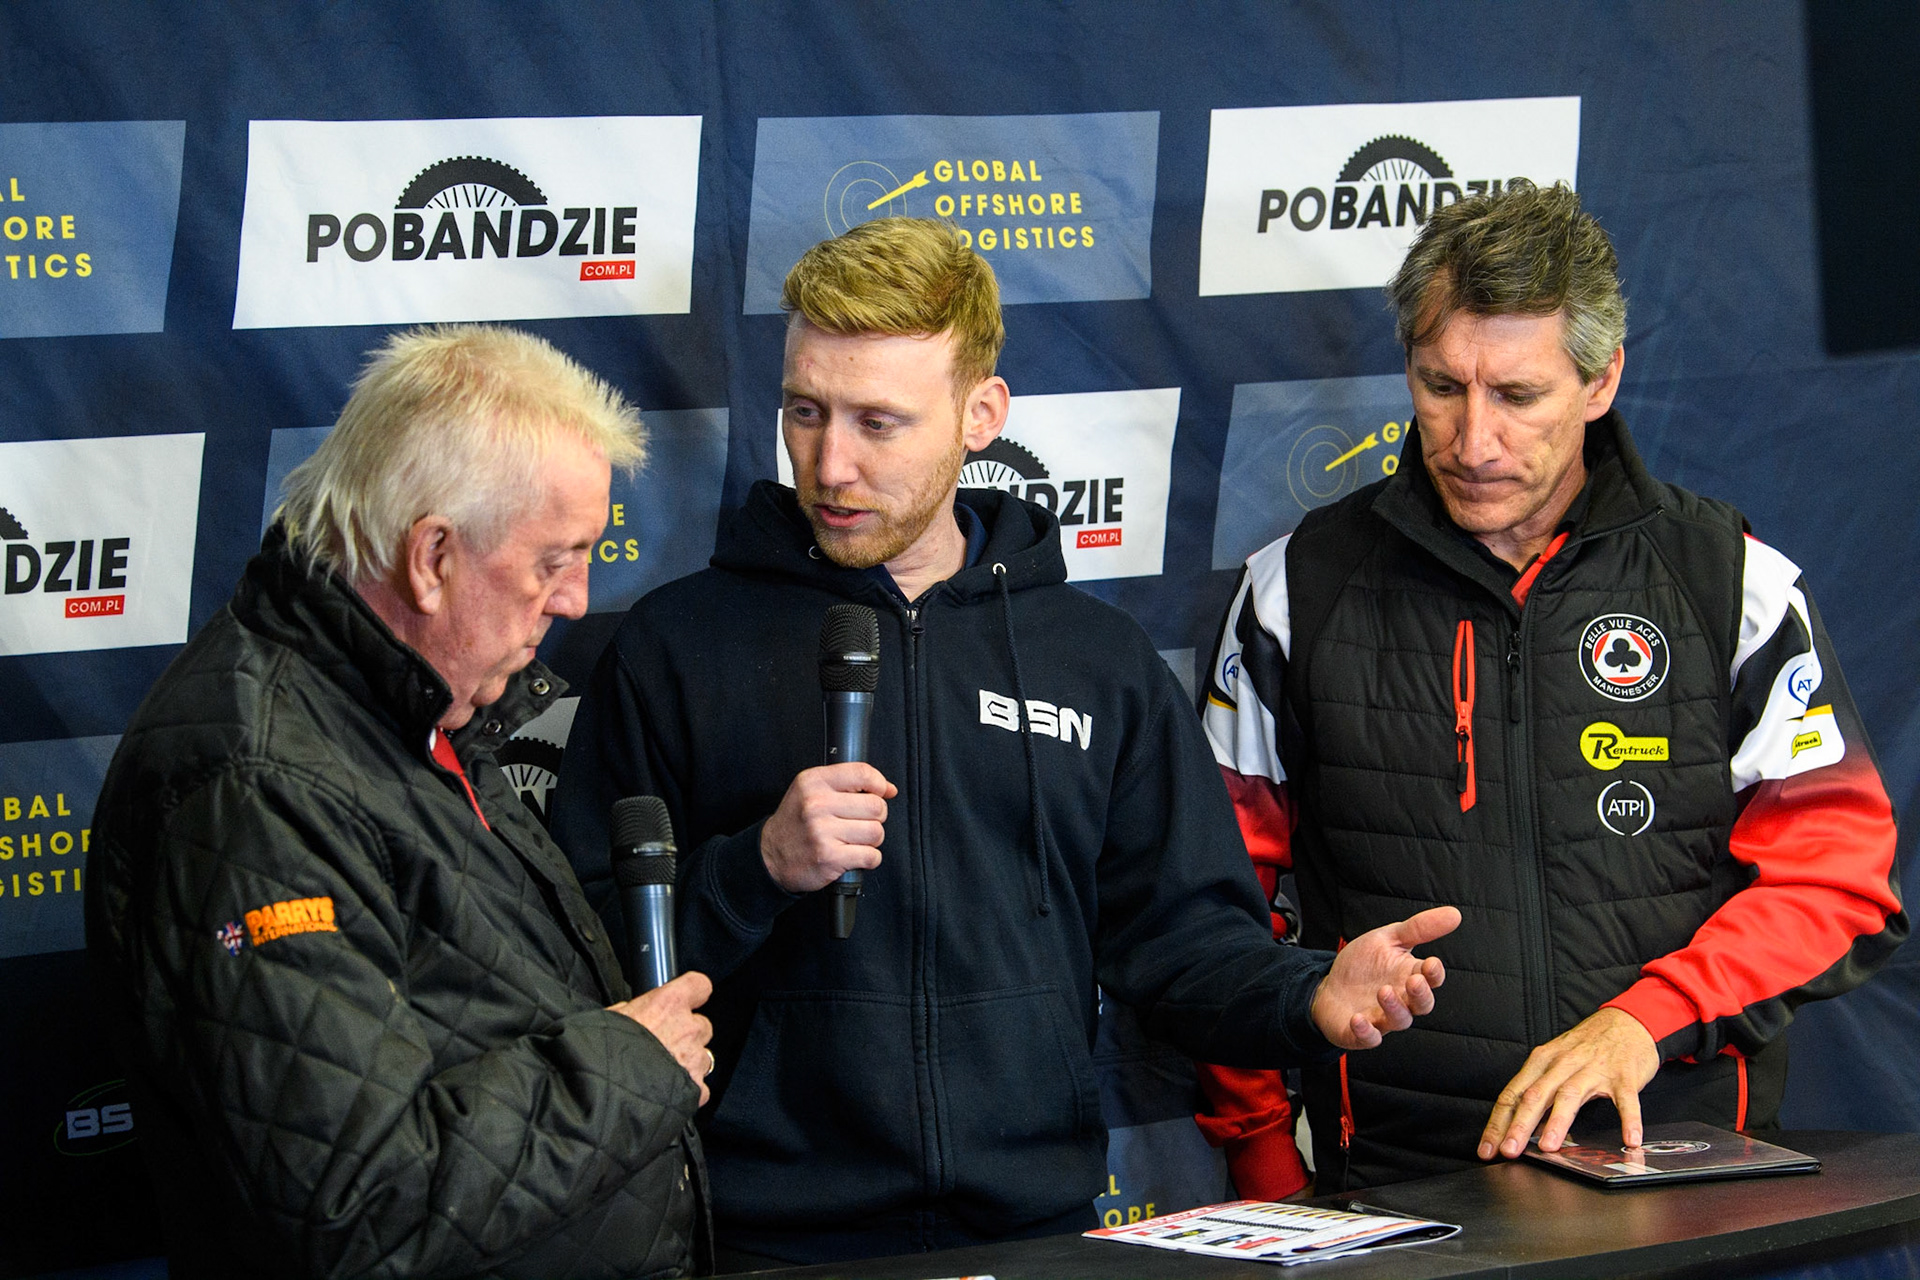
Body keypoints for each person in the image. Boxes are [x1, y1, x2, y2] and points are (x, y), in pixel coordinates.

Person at [550, 216, 1459, 1269]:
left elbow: (1183, 944)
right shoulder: (678, 646)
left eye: (879, 423)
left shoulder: (1094, 661)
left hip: (1034, 1230)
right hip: (761, 1237)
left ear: (981, 414)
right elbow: (582, 961)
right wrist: (757, 867)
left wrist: (1307, 992)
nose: (830, 463)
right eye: (805, 411)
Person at [1202, 183, 1906, 1192]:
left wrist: (1647, 1020)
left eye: (1518, 396)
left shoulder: (1731, 584)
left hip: (1682, 1176)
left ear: (1601, 379)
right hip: (1399, 1187)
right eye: (1442, 387)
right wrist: (1262, 1150)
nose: (1473, 441)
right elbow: (1217, 906)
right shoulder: (1295, 591)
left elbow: (1836, 881)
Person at [85, 326, 716, 1280]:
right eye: (554, 560)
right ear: (431, 557)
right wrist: (631, 1068)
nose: (578, 600)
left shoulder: (415, 705)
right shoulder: (260, 785)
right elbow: (358, 1203)